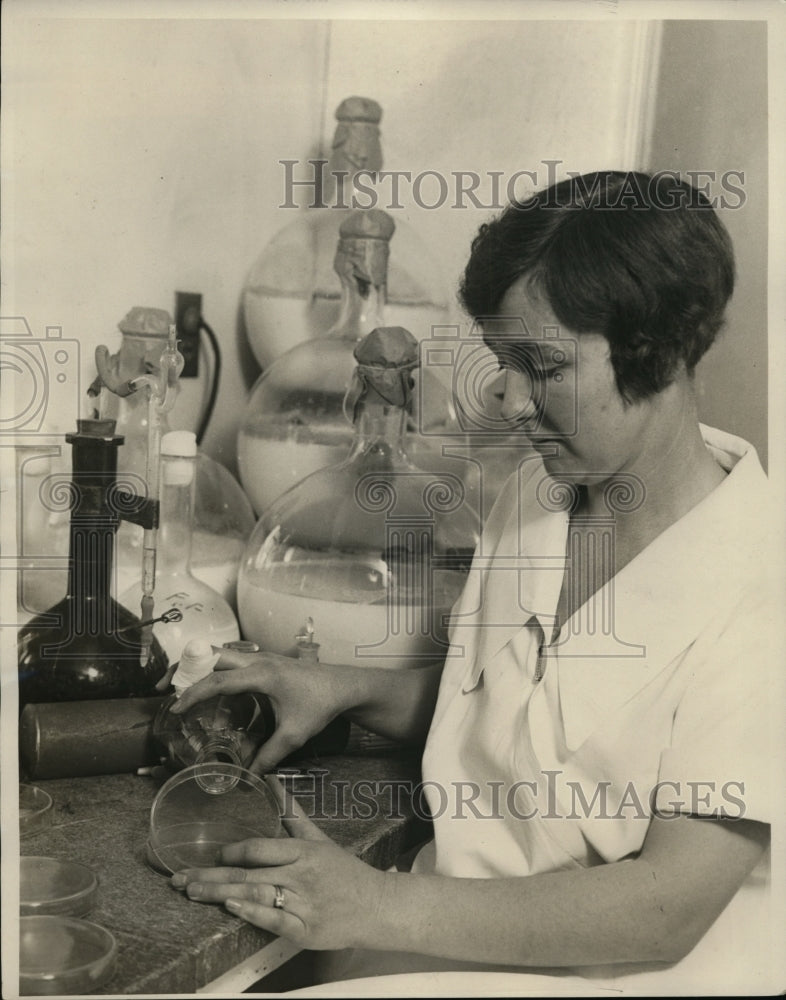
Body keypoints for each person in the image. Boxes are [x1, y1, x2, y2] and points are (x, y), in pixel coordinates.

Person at [169, 171, 779, 994]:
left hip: (616, 972)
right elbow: (528, 722)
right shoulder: (540, 490)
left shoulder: (760, 581)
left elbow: (666, 907)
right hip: (448, 931)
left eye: (542, 366)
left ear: (661, 350)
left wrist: (374, 903)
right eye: (503, 362)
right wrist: (343, 687)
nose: (511, 400)